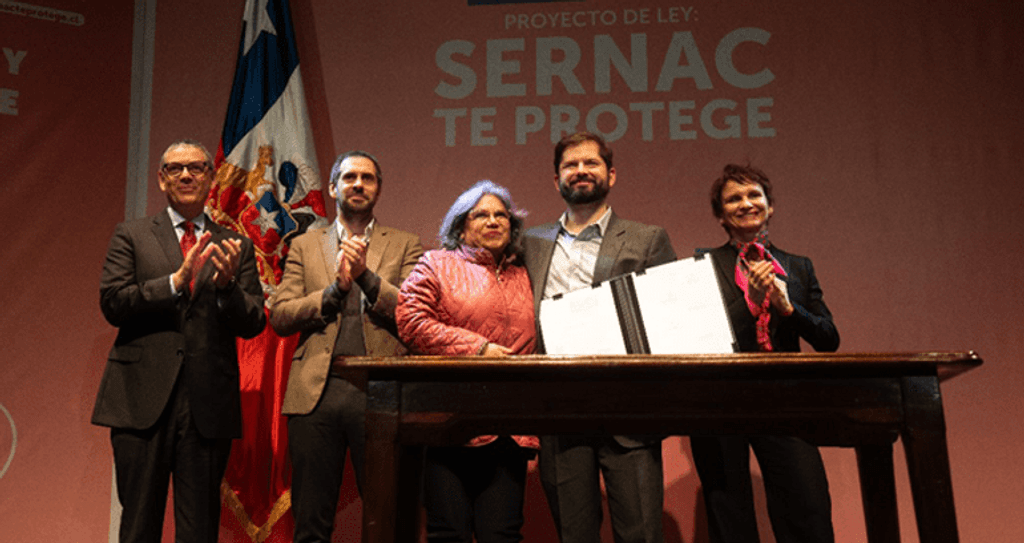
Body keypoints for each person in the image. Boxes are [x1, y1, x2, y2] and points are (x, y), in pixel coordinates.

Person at [92, 139, 267, 543]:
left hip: (206, 404)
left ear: (211, 178)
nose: (185, 175)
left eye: (196, 168)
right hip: (141, 401)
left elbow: (254, 321)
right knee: (138, 524)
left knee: (199, 527)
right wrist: (173, 283)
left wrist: (227, 290)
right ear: (161, 179)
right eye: (175, 169)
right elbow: (114, 303)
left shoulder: (235, 244)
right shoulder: (132, 235)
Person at [523, 132, 676, 543]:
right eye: (570, 165)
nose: (581, 171)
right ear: (556, 181)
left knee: (641, 535)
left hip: (628, 407)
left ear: (611, 174)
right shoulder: (530, 242)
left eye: (590, 163)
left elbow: (670, 318)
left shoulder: (648, 238)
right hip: (558, 408)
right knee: (574, 535)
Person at [269, 151, 423, 543]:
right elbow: (282, 315)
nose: (358, 184)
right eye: (350, 177)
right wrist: (335, 290)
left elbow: (413, 311)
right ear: (334, 187)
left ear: (378, 190)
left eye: (367, 178)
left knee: (389, 518)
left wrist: (366, 277)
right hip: (317, 393)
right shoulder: (305, 245)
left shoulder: (405, 244)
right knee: (312, 521)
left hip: (382, 391)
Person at [690, 164, 840, 543]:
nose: (746, 203)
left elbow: (828, 339)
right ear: (720, 215)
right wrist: (751, 302)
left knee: (808, 511)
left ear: (770, 206)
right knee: (730, 518)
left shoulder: (798, 267)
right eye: (733, 199)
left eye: (754, 195)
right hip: (718, 401)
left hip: (785, 401)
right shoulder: (701, 265)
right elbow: (701, 337)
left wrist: (789, 309)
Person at [396, 180, 538, 543]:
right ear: (461, 226)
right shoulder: (436, 263)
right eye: (482, 215)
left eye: (500, 215)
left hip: (509, 424)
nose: (493, 221)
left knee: (503, 534)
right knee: (449, 534)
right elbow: (411, 322)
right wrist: (478, 348)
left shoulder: (526, 272)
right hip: (448, 421)